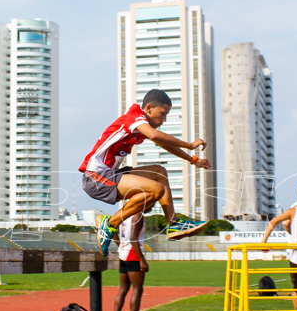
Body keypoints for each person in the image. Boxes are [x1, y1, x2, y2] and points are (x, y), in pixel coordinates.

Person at [80, 89, 211, 256]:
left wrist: (193, 160)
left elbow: (165, 144)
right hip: (95, 178)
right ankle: (110, 223)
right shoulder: (135, 117)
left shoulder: (141, 125)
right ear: (149, 108)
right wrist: (190, 145)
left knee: (159, 172)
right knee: (156, 189)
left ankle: (173, 223)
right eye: (162, 114)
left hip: (110, 174)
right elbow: (155, 135)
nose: (164, 120)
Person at [110, 212, 147, 311]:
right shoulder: (138, 216)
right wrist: (142, 260)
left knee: (123, 289)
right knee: (137, 289)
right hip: (133, 254)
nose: (151, 207)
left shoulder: (123, 216)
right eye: (150, 204)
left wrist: (121, 246)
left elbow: (112, 232)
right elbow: (133, 238)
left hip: (122, 254)